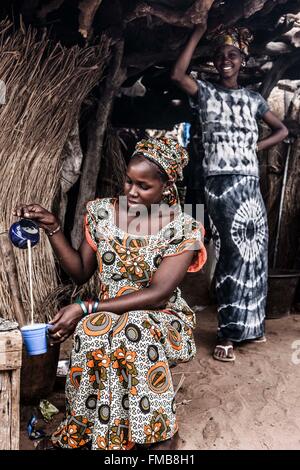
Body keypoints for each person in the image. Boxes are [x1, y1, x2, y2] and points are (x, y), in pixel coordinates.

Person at [14, 137, 207, 450]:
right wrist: (53, 227)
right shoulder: (102, 213)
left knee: (132, 332)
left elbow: (158, 294)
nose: (131, 191)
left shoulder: (183, 227)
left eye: (143, 186)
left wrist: (86, 307)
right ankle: (95, 430)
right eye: (129, 181)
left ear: (166, 188)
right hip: (105, 310)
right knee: (92, 331)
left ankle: (161, 436)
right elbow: (80, 271)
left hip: (160, 315)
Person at [171, 25, 288, 362]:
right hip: (220, 184)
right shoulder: (206, 93)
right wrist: (196, 32)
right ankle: (227, 331)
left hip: (249, 183)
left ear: (243, 60)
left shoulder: (254, 99)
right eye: (220, 55)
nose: (225, 60)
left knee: (253, 252)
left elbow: (281, 130)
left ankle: (250, 326)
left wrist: (254, 147)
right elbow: (178, 74)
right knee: (231, 252)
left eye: (232, 55)